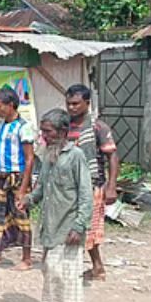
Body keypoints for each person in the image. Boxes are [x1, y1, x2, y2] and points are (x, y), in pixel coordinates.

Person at [17, 108, 93, 302]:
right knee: (51, 268)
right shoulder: (48, 155)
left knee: (64, 272)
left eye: (48, 131)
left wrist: (79, 225)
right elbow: (41, 187)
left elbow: (86, 194)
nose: (44, 136)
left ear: (62, 131)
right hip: (50, 224)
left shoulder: (76, 156)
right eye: (42, 131)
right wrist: (28, 200)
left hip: (68, 225)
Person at [0, 87, 36, 270]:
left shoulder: (23, 127)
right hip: (1, 177)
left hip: (18, 178)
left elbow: (29, 158)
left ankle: (26, 258)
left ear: (11, 106)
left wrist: (23, 188)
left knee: (21, 216)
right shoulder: (3, 125)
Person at [65, 84, 119, 281]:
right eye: (69, 104)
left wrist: (111, 186)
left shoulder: (98, 127)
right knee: (74, 227)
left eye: (76, 104)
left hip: (92, 185)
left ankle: (93, 267)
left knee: (88, 229)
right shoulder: (65, 126)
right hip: (69, 186)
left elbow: (112, 156)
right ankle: (96, 267)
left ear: (87, 103)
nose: (72, 108)